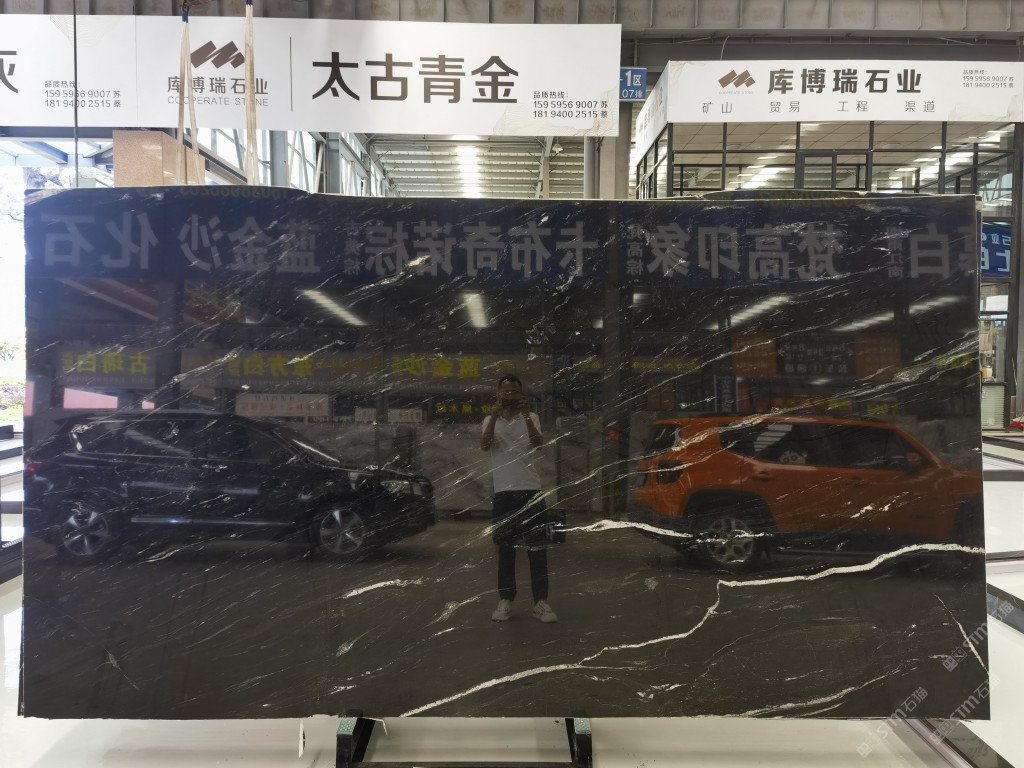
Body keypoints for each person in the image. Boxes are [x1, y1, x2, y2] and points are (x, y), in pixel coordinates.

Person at [480, 374, 557, 623]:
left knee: (537, 548)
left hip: (531, 490)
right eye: (506, 392)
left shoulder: (531, 417)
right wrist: (494, 416)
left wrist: (526, 416)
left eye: (514, 392)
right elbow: (485, 445)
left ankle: (541, 602)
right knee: (505, 549)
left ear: (522, 395)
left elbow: (538, 444)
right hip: (503, 493)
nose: (510, 396)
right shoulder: (489, 420)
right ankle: (505, 600)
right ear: (498, 394)